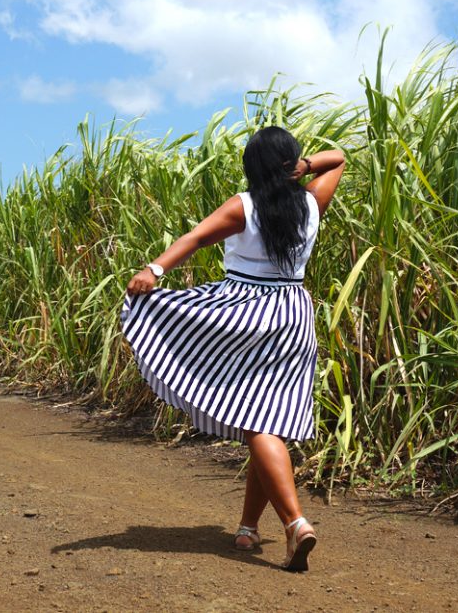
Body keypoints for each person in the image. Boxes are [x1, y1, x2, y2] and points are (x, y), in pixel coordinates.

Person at [120, 125, 345, 572]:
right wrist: (303, 168)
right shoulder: (311, 202)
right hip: (294, 316)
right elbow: (337, 157)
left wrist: (154, 270)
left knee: (259, 424)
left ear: (252, 167)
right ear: (291, 163)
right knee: (267, 421)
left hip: (243, 313)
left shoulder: (243, 205)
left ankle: (296, 523)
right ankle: (247, 527)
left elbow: (196, 238)